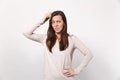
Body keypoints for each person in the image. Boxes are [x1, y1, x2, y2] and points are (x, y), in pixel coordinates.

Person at [23, 10, 93, 80]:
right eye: (53, 22)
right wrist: (42, 21)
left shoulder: (72, 39)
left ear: (64, 23)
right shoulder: (45, 38)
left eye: (58, 22)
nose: (55, 25)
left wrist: (76, 71)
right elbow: (26, 33)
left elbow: (89, 54)